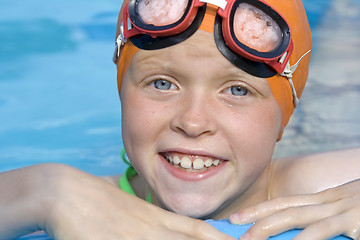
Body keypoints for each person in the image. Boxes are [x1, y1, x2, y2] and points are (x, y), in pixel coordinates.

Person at [1, 0, 360, 239]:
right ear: (122, 92)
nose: (192, 122)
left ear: (283, 117)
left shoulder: (320, 188)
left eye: (237, 90)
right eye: (162, 83)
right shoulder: (76, 196)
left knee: (337, 85)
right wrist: (46, 189)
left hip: (307, 138)